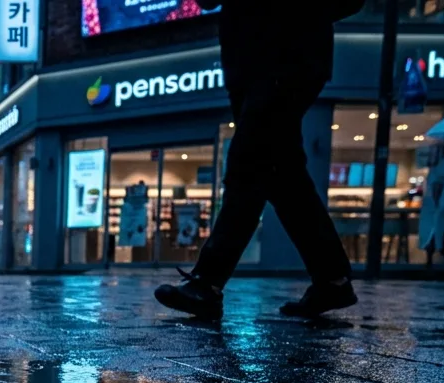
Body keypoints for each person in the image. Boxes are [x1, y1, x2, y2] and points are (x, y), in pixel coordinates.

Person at [154, 1, 359, 320]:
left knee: (248, 164)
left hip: (283, 57)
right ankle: (332, 279)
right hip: (254, 64)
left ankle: (208, 282)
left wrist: (296, 16)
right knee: (283, 175)